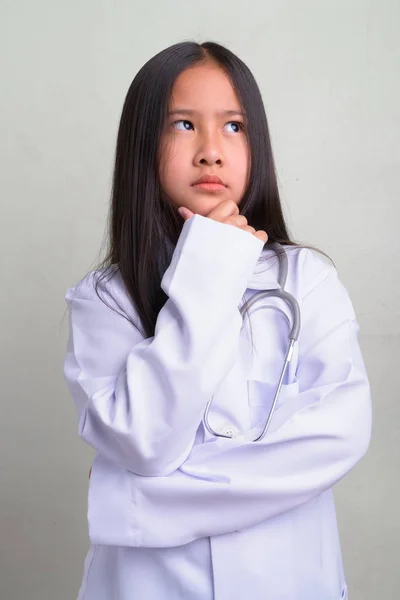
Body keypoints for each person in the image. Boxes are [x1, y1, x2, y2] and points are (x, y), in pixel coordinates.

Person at [63, 41, 372, 600]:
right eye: (183, 125)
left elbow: (340, 436)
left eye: (233, 126)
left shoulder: (307, 280)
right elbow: (145, 442)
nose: (211, 150)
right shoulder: (103, 301)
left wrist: (132, 499)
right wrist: (208, 270)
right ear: (142, 145)